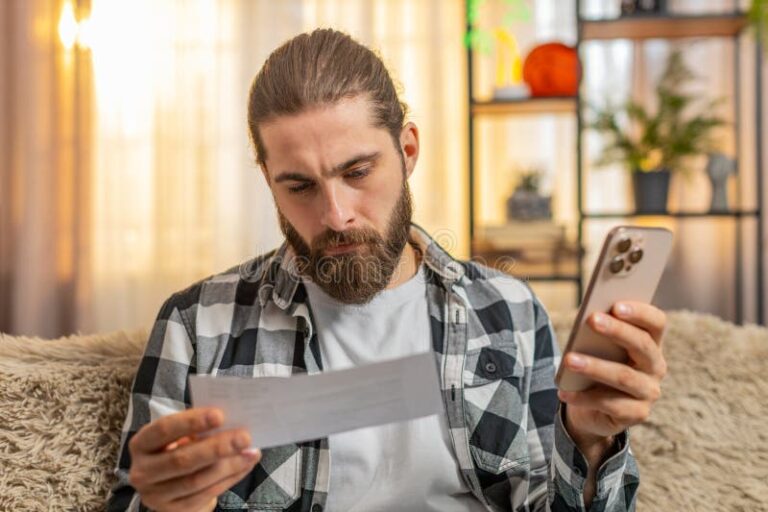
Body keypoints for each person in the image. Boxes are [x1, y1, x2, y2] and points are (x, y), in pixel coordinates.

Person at [107, 28, 667, 512]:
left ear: (408, 149)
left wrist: (591, 445)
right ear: (268, 178)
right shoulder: (197, 323)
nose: (335, 214)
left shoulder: (511, 309)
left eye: (358, 171)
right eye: (299, 185)